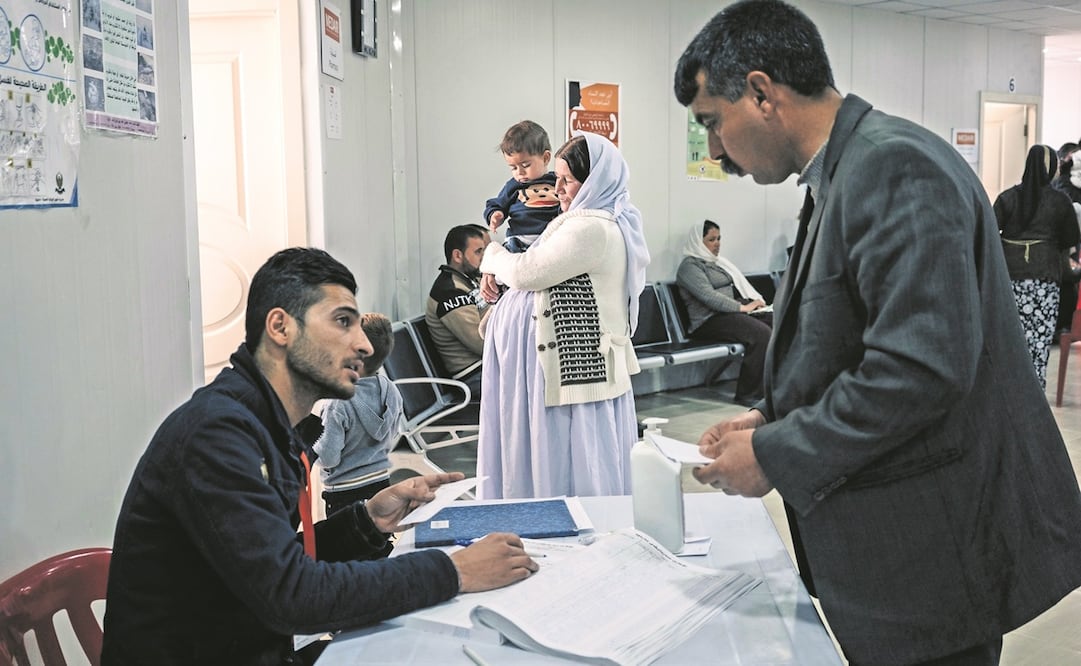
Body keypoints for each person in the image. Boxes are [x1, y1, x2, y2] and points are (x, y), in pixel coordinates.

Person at [673, 2, 1081, 665]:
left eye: (712, 124)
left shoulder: (891, 167)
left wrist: (776, 454)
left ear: (760, 92)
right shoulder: (843, 171)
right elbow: (846, 334)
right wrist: (767, 416)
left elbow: (918, 368)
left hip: (931, 557)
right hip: (899, 552)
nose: (714, 151)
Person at [102, 248, 538, 665]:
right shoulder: (217, 435)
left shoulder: (262, 424)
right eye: (343, 322)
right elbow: (293, 596)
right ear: (281, 327)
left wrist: (364, 522)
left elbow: (272, 561)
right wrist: (453, 570)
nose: (364, 346)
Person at [475, 132, 650, 499]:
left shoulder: (593, 227)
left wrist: (491, 258)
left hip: (574, 378)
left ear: (595, 181)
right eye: (557, 178)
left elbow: (527, 272)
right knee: (551, 460)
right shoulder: (583, 222)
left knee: (566, 466)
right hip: (556, 376)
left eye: (567, 180)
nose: (558, 189)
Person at [993, 144, 1080, 386]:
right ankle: (1034, 390)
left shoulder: (1008, 197)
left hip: (1010, 278)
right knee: (1039, 340)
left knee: (1010, 337)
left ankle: (1006, 389)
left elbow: (990, 231)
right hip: (1044, 279)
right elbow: (1071, 238)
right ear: (1051, 167)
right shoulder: (1059, 201)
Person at [676, 219, 773, 406]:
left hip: (728, 315)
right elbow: (709, 296)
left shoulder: (717, 263)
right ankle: (749, 394)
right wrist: (743, 308)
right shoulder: (690, 267)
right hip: (708, 321)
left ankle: (775, 385)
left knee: (779, 322)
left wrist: (751, 303)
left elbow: (730, 291)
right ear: (698, 241)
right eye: (712, 239)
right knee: (761, 334)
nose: (717, 243)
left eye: (719, 238)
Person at [314, 312, 403, 512]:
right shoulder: (391, 389)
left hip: (344, 492)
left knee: (346, 542)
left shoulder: (337, 403)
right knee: (379, 539)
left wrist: (309, 443)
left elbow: (328, 458)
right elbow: (393, 433)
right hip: (380, 482)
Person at [426, 224, 489, 396]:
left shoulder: (468, 281)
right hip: (472, 376)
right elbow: (481, 343)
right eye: (478, 252)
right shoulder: (450, 291)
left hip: (483, 368)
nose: (483, 257)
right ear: (457, 255)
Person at [484, 120, 562, 252]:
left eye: (525, 165)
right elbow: (496, 204)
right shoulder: (514, 185)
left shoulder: (557, 181)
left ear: (546, 158)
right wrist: (495, 214)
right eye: (513, 167)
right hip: (519, 239)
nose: (519, 172)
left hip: (550, 238)